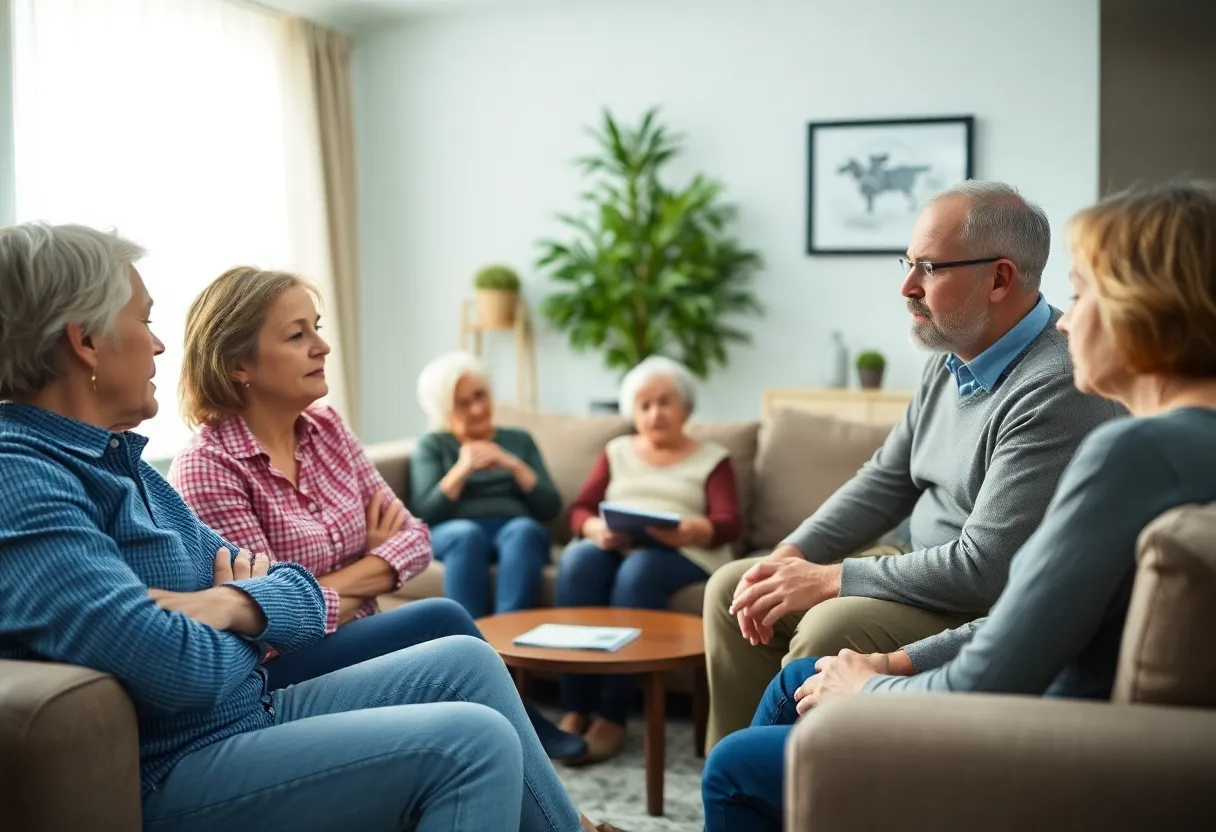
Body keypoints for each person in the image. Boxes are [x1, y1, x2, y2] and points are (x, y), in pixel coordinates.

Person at [0, 223, 623, 832]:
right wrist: (250, 609)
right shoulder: (24, 476)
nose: (160, 345)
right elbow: (175, 668)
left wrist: (230, 601)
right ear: (85, 341)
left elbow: (299, 590)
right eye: (145, 321)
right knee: (472, 740)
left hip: (246, 709)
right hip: (181, 759)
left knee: (464, 657)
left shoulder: (128, 466)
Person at [701, 179, 1216, 832]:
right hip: (1026, 681)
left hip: (1030, 733)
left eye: (1082, 294)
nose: (1064, 317)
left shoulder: (1127, 448)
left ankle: (781, 781)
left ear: (1145, 310)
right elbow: (891, 483)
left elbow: (1002, 645)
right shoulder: (1162, 442)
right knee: (778, 654)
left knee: (739, 765)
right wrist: (797, 560)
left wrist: (871, 687)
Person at [171, 267, 585, 760]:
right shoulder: (208, 467)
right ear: (239, 363)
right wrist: (370, 565)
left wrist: (317, 586)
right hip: (279, 672)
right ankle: (550, 772)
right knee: (441, 619)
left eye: (317, 327)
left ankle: (559, 805)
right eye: (297, 334)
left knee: (466, 687)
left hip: (357, 637)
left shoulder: (326, 428)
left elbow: (414, 538)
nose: (322, 347)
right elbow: (274, 619)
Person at [555, 355, 742, 763]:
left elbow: (729, 522)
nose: (655, 413)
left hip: (683, 550)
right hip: (617, 543)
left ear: (685, 407)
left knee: (639, 573)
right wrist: (594, 530)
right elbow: (581, 509)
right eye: (644, 405)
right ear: (631, 412)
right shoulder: (616, 451)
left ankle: (612, 716)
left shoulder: (713, 457)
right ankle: (576, 708)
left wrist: (691, 529)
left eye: (665, 402)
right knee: (578, 564)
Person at [411, 350, 560, 618]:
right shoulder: (432, 444)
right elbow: (424, 513)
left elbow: (550, 507)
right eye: (462, 403)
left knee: (524, 530)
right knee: (467, 535)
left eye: (480, 396)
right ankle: (471, 643)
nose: (477, 409)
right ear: (444, 409)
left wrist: (513, 464)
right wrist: (462, 469)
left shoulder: (519, 440)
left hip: (512, 527)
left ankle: (506, 642)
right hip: (455, 532)